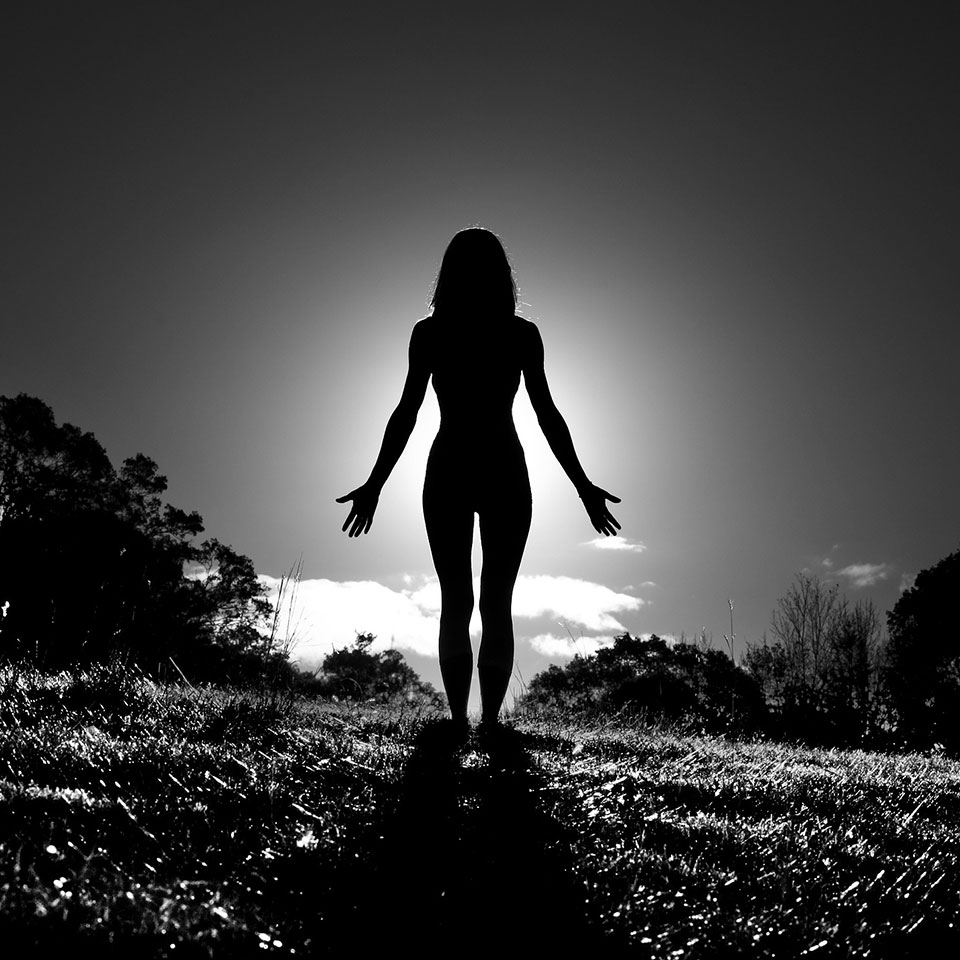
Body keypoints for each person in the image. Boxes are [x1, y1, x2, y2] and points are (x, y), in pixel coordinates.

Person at [337, 227, 620, 731]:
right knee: (493, 600)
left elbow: (408, 412)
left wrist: (376, 484)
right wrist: (581, 486)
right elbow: (545, 415)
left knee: (461, 600)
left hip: (451, 467)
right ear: (502, 276)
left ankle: (464, 723)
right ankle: (485, 724)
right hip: (502, 469)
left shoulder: (436, 332)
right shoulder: (514, 333)